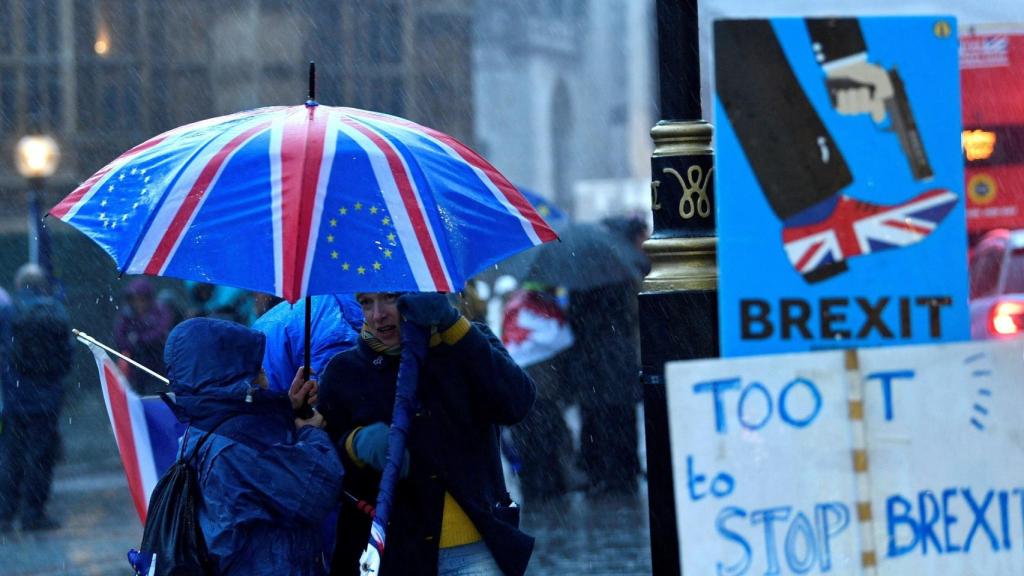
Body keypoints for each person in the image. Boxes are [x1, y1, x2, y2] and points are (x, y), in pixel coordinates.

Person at [317, 292, 536, 576]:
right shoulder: (345, 371)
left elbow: (516, 403)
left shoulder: (464, 342)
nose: (377, 315)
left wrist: (453, 324)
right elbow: (322, 469)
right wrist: (354, 445)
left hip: (474, 551)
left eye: (390, 298)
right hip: (392, 557)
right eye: (366, 302)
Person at [162, 317, 343, 575]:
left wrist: (287, 408)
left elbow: (252, 430)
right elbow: (318, 489)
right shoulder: (239, 449)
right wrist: (311, 432)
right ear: (230, 376)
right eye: (256, 368)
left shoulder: (205, 427)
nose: (264, 374)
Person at [0, 263, 73, 532]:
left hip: (15, 397)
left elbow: (5, 353)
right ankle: (33, 514)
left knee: (11, 455)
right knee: (41, 456)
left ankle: (5, 513)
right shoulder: (57, 310)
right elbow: (68, 354)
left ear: (19, 285)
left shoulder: (10, 311)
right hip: (47, 398)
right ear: (43, 285)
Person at [501, 282, 578, 501]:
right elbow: (561, 338)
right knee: (547, 437)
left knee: (529, 440)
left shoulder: (515, 306)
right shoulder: (544, 307)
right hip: (543, 388)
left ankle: (534, 487)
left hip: (523, 389)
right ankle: (550, 486)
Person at [113, 278, 173, 395]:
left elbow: (161, 332)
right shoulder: (126, 316)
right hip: (136, 369)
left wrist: (138, 339)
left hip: (159, 366)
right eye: (134, 300)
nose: (139, 304)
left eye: (142, 299)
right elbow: (120, 338)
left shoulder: (160, 311)